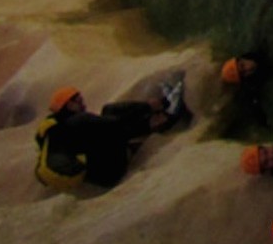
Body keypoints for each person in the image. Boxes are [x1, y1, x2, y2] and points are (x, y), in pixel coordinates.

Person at [35, 80, 183, 191]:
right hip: (111, 172)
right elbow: (116, 125)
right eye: (79, 102)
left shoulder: (55, 129)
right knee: (111, 116)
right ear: (69, 105)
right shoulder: (79, 121)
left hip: (99, 176)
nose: (84, 105)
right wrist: (148, 107)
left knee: (106, 123)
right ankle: (165, 112)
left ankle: (155, 118)